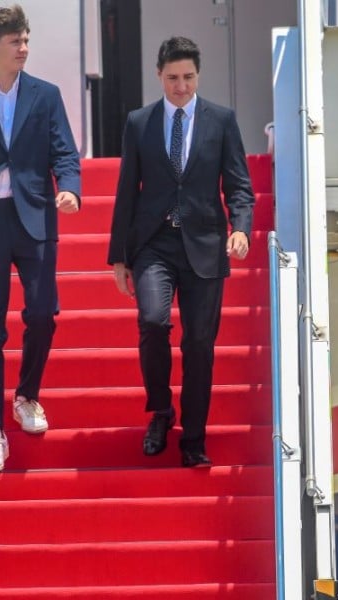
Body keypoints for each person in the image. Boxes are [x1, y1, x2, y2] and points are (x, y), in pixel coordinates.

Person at [108, 36, 254, 468]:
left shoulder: (221, 120)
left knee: (199, 345)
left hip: (205, 246)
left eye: (188, 77)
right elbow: (125, 192)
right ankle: (160, 411)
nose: (181, 86)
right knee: (152, 322)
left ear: (198, 75)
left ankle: (193, 437)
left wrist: (241, 229)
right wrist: (120, 256)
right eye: (172, 78)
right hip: (154, 242)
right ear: (159, 76)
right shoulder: (139, 122)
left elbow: (240, 186)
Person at [0, 4, 81, 473]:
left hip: (35, 218)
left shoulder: (45, 96)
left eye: (26, 40)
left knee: (44, 314)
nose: (24, 48)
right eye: (15, 42)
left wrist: (69, 188)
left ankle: (27, 395)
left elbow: (65, 150)